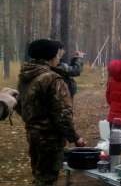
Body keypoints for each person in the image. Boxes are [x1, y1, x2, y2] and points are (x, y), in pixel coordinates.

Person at [15, 39, 86, 186]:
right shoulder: (53, 79)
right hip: (49, 139)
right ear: (50, 57)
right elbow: (63, 115)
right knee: (47, 178)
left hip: (33, 135)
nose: (58, 58)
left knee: (39, 174)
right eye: (57, 55)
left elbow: (22, 107)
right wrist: (75, 138)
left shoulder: (26, 75)